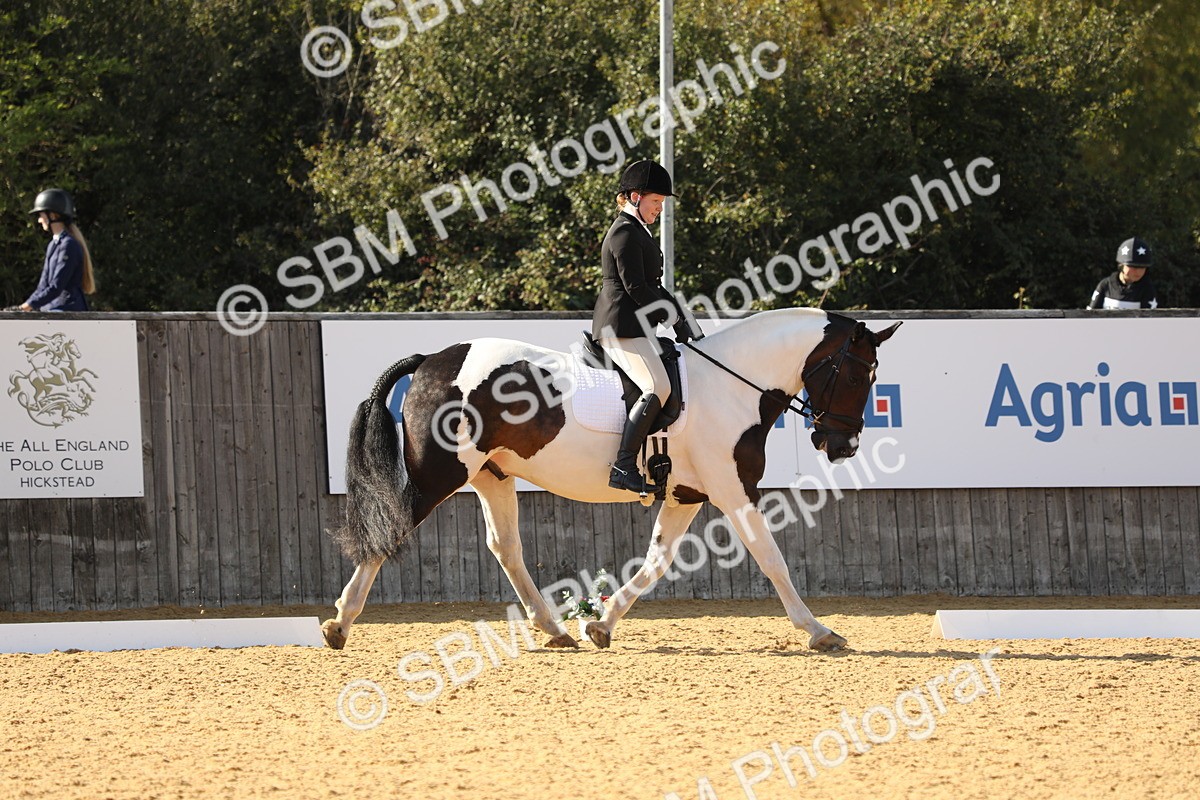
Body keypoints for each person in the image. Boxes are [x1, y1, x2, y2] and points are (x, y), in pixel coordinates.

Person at [592, 160, 693, 493]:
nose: (659, 209)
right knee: (657, 388)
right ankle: (623, 466)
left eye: (662, 204)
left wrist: (682, 317)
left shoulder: (638, 231)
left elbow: (655, 285)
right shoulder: (623, 232)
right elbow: (635, 286)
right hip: (619, 326)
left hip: (636, 327)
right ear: (635, 196)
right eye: (655, 202)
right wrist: (670, 316)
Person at [16, 188, 96, 312]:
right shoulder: (53, 245)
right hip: (52, 308)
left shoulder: (69, 245)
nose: (39, 220)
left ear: (52, 215)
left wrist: (27, 306)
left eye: (41, 215)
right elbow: (42, 286)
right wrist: (24, 306)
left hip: (67, 308)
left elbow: (56, 286)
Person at [1087, 236, 1157, 309]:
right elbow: (1091, 314)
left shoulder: (1147, 289)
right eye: (1133, 267)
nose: (1138, 271)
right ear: (1121, 265)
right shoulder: (1106, 285)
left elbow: (1149, 318)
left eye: (1142, 267)